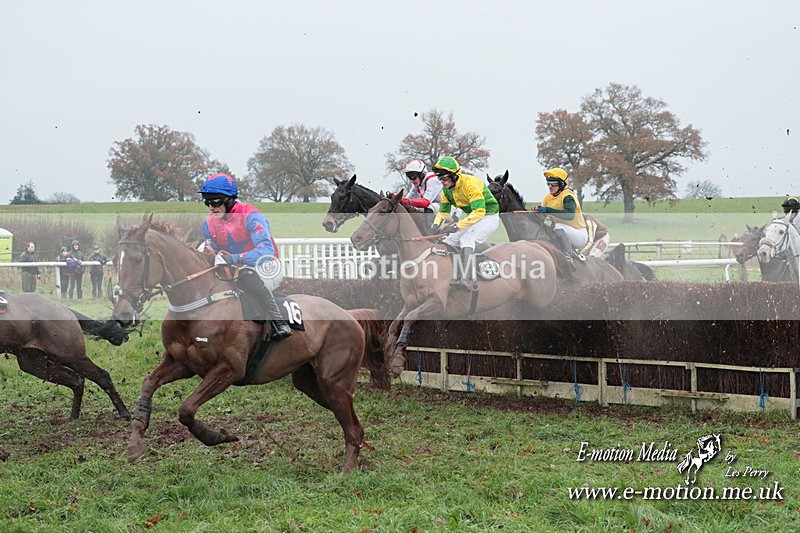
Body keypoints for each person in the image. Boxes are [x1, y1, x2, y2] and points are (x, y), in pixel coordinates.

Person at [199, 172, 292, 339]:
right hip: (232, 267)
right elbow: (211, 246)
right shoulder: (208, 222)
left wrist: (234, 259)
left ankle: (280, 323)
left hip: (264, 265)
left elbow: (266, 250)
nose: (211, 207)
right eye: (207, 202)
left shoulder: (251, 216)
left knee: (247, 277)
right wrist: (208, 252)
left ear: (229, 199)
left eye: (215, 201)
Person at [430, 156, 500, 291]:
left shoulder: (470, 184)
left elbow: (479, 212)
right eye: (440, 179)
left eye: (444, 179)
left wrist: (458, 226)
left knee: (467, 239)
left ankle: (466, 277)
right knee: (448, 240)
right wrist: (436, 224)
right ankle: (451, 272)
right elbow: (444, 211)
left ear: (454, 176)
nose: (442, 182)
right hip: (472, 217)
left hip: (488, 217)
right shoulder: (446, 190)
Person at [532, 167, 588, 269]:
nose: (550, 186)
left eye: (553, 184)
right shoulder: (548, 197)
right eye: (548, 184)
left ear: (562, 184)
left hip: (579, 235)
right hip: (562, 232)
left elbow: (569, 215)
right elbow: (542, 216)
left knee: (558, 226)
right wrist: (536, 212)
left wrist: (547, 210)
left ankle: (567, 256)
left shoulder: (568, 196)